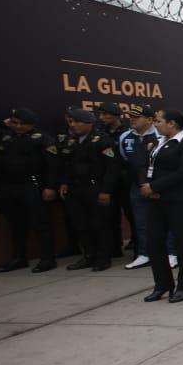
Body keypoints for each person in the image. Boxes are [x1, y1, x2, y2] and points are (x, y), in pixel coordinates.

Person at [141, 109, 183, 303]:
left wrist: (155, 186)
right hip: (156, 200)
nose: (155, 124)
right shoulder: (159, 142)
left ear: (172, 123)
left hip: (179, 201)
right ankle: (163, 284)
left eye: (158, 121)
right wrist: (146, 184)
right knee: (154, 243)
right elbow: (148, 166)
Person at [0, 108, 59, 273]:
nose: (17, 127)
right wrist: (3, 124)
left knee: (40, 224)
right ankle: (19, 258)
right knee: (16, 225)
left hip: (33, 185)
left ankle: (47, 259)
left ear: (30, 124)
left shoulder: (42, 139)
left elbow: (52, 166)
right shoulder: (5, 137)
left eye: (21, 124)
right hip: (9, 187)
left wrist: (50, 187)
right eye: (14, 123)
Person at [59, 107, 120, 271]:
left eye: (78, 122)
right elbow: (66, 164)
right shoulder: (71, 140)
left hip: (96, 188)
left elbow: (112, 167)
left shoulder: (102, 140)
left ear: (89, 123)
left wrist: (106, 190)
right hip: (75, 189)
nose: (74, 125)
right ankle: (88, 255)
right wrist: (65, 182)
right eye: (72, 122)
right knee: (81, 224)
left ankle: (103, 258)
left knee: (100, 224)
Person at [118, 106, 161, 270]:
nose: (132, 119)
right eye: (131, 116)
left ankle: (171, 252)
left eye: (137, 117)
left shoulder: (160, 135)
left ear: (150, 120)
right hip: (137, 186)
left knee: (165, 220)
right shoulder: (125, 137)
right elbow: (125, 158)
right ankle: (144, 253)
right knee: (140, 221)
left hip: (157, 185)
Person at [94, 101, 131, 259]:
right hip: (108, 180)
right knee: (109, 215)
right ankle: (114, 247)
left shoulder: (127, 131)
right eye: (100, 114)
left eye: (105, 114)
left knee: (131, 213)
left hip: (125, 179)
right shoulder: (100, 131)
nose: (102, 117)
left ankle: (137, 244)